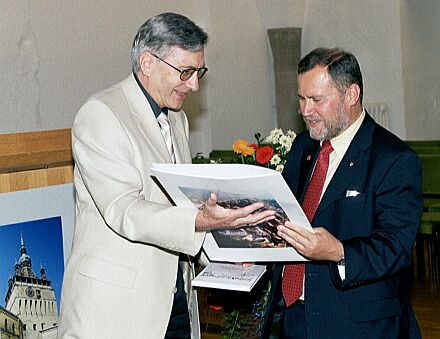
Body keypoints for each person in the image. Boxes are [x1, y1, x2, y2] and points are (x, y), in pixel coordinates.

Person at [57, 12, 275, 339]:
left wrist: (223, 258)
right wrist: (202, 220)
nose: (194, 84)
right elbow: (125, 210)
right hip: (116, 312)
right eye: (185, 71)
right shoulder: (101, 114)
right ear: (147, 62)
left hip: (174, 308)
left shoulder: (177, 120)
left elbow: (177, 206)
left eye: (198, 71)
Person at [261, 48, 422, 339]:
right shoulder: (303, 148)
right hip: (294, 316)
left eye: (317, 100)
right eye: (301, 98)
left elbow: (394, 248)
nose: (305, 111)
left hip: (357, 324)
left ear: (351, 95)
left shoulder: (394, 159)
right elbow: (283, 215)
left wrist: (338, 252)